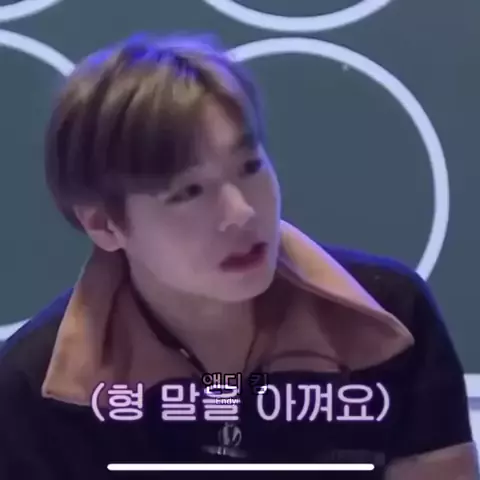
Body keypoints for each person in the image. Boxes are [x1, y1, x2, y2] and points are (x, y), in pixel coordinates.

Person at [0, 33, 477, 480]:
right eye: (188, 191)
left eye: (249, 167)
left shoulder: (392, 318)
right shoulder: (32, 390)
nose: (242, 212)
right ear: (104, 224)